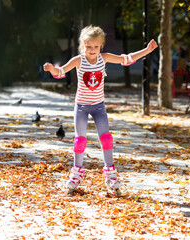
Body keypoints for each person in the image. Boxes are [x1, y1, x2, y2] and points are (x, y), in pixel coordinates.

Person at [43, 25, 158, 196]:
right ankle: (76, 174)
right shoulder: (78, 60)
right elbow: (61, 71)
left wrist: (147, 50)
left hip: (99, 106)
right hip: (81, 107)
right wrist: (52, 69)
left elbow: (126, 59)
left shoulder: (103, 58)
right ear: (83, 45)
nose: (92, 50)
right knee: (80, 140)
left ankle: (111, 175)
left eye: (96, 47)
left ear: (101, 46)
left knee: (106, 139)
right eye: (88, 46)